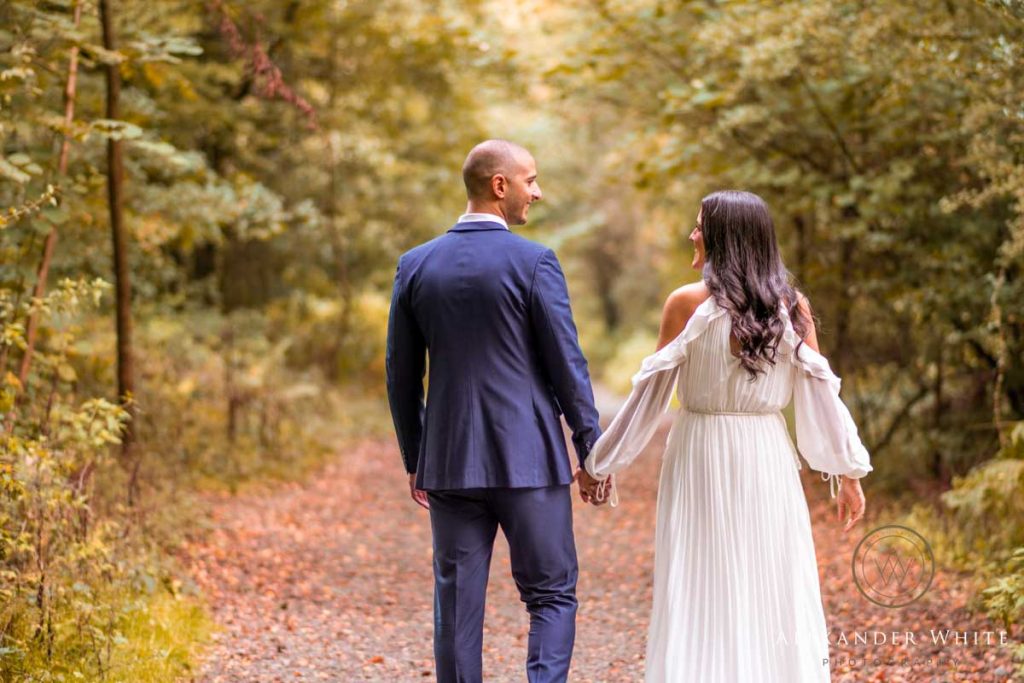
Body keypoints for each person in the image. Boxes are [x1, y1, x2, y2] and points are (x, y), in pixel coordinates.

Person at [580, 190, 871, 682]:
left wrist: (599, 463)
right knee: (766, 578)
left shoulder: (686, 304)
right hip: (763, 456)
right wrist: (847, 471)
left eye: (700, 226)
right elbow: (820, 400)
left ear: (725, 238)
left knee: (703, 580)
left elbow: (649, 396)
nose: (692, 234)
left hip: (703, 451)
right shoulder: (791, 307)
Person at [385, 139, 606, 683]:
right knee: (552, 594)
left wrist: (417, 455)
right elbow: (567, 365)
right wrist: (591, 448)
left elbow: (400, 373)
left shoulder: (415, 265)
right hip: (529, 459)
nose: (538, 191)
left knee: (456, 608)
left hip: (450, 463)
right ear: (499, 185)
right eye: (531, 180)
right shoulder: (534, 262)